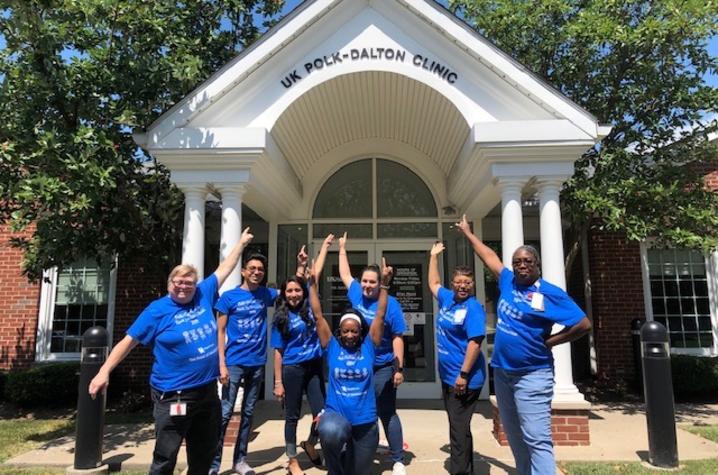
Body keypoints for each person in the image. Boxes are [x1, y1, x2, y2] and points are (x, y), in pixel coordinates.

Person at [87, 227, 254, 475]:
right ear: (169, 285)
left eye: (189, 282)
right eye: (178, 282)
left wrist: (240, 244)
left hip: (207, 392)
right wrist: (104, 371)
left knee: (204, 454)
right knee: (166, 456)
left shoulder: (203, 293)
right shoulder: (158, 310)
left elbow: (224, 268)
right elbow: (127, 342)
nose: (184, 287)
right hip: (173, 395)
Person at [456, 215, 592, 475]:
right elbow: (489, 257)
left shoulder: (549, 293)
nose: (521, 266)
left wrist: (551, 341)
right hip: (503, 373)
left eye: (527, 261)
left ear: (537, 264)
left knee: (536, 438)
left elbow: (583, 324)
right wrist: (468, 233)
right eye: (517, 262)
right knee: (515, 434)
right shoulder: (508, 281)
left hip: (533, 375)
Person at [211, 247, 308, 475]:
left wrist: (301, 265)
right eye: (252, 268)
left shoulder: (265, 294)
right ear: (244, 271)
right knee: (225, 413)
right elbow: (220, 331)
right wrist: (221, 364)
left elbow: (293, 290)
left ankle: (240, 460)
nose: (256, 272)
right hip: (233, 362)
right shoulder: (229, 297)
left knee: (247, 414)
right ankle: (213, 464)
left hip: (256, 363)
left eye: (260, 269)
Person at [311, 241, 394, 475]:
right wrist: (311, 283)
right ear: (340, 331)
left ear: (360, 332)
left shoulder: (369, 346)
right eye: (345, 331)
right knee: (329, 433)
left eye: (354, 331)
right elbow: (317, 315)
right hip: (336, 416)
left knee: (359, 471)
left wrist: (385, 286)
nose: (349, 335)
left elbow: (380, 314)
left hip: (365, 422)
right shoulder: (333, 347)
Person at [337, 233, 407, 475]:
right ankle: (363, 449)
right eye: (364, 281)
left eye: (372, 282)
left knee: (384, 410)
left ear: (380, 284)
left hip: (382, 365)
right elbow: (345, 274)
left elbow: (398, 336)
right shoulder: (356, 294)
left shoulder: (392, 305)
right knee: (358, 408)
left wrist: (398, 369)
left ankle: (398, 458)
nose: (367, 286)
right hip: (357, 366)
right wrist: (343, 248)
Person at [427, 241, 486, 475]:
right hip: (449, 376)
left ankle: (460, 471)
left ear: (472, 285)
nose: (463, 286)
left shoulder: (473, 308)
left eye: (467, 283)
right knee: (459, 427)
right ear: (453, 283)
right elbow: (433, 283)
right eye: (459, 282)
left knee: (458, 430)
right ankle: (466, 469)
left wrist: (463, 375)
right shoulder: (448, 299)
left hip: (464, 379)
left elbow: (475, 342)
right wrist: (432, 257)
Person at [272, 240, 331, 475]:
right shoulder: (281, 318)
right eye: (290, 291)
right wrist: (277, 382)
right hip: (292, 369)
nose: (294, 294)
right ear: (284, 295)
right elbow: (278, 352)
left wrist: (324, 248)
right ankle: (292, 460)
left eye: (297, 290)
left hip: (314, 366)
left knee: (322, 414)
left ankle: (310, 443)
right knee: (292, 416)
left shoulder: (309, 309)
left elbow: (314, 274)